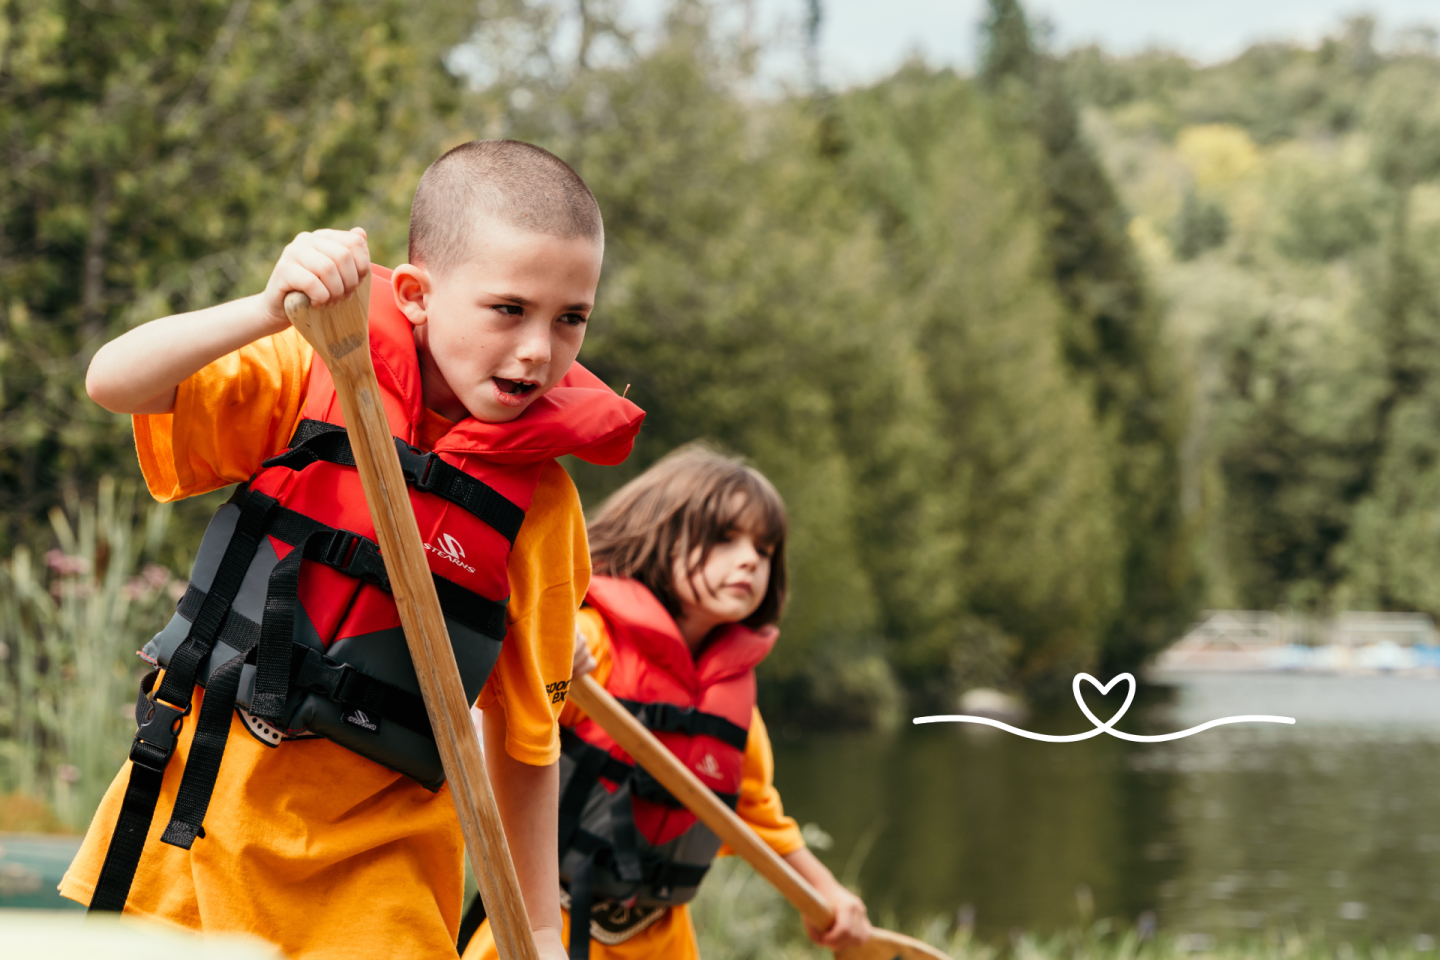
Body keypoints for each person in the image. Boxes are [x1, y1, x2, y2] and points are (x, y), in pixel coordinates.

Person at [62, 140, 644, 960]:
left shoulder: (542, 509)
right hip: (192, 842)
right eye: (509, 309)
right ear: (413, 295)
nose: (538, 351)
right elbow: (112, 380)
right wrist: (273, 309)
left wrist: (542, 933)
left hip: (382, 889)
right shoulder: (309, 375)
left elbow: (527, 741)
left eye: (570, 319)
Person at [461, 444, 872, 960]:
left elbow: (755, 815)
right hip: (544, 930)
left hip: (663, 942)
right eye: (724, 539)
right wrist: (547, 661)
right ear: (662, 536)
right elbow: (493, 723)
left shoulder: (734, 703)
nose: (749, 559)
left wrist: (828, 893)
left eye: (764, 550)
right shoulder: (587, 644)